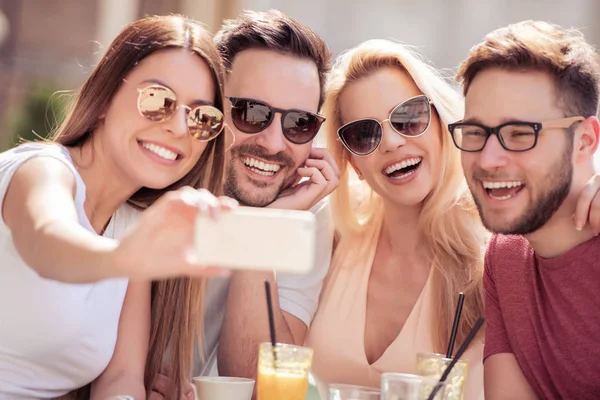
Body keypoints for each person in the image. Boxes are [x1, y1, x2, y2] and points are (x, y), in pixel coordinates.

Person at [0, 14, 233, 399]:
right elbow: (46, 240)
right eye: (157, 99)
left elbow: (120, 378)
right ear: (106, 97)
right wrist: (123, 258)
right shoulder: (41, 170)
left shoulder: (131, 226)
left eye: (201, 117)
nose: (178, 128)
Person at [135, 10, 336, 399]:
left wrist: (262, 229)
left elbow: (261, 385)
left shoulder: (306, 210)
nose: (275, 144)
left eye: (299, 124)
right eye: (251, 113)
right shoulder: (154, 176)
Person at [304, 39, 487, 400]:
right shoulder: (331, 237)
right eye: (364, 133)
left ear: (440, 122)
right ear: (353, 162)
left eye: (408, 116)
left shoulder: (491, 261)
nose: (390, 142)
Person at [452, 20, 600, 399]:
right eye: (474, 132)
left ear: (584, 141)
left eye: (520, 133)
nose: (488, 158)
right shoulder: (505, 257)